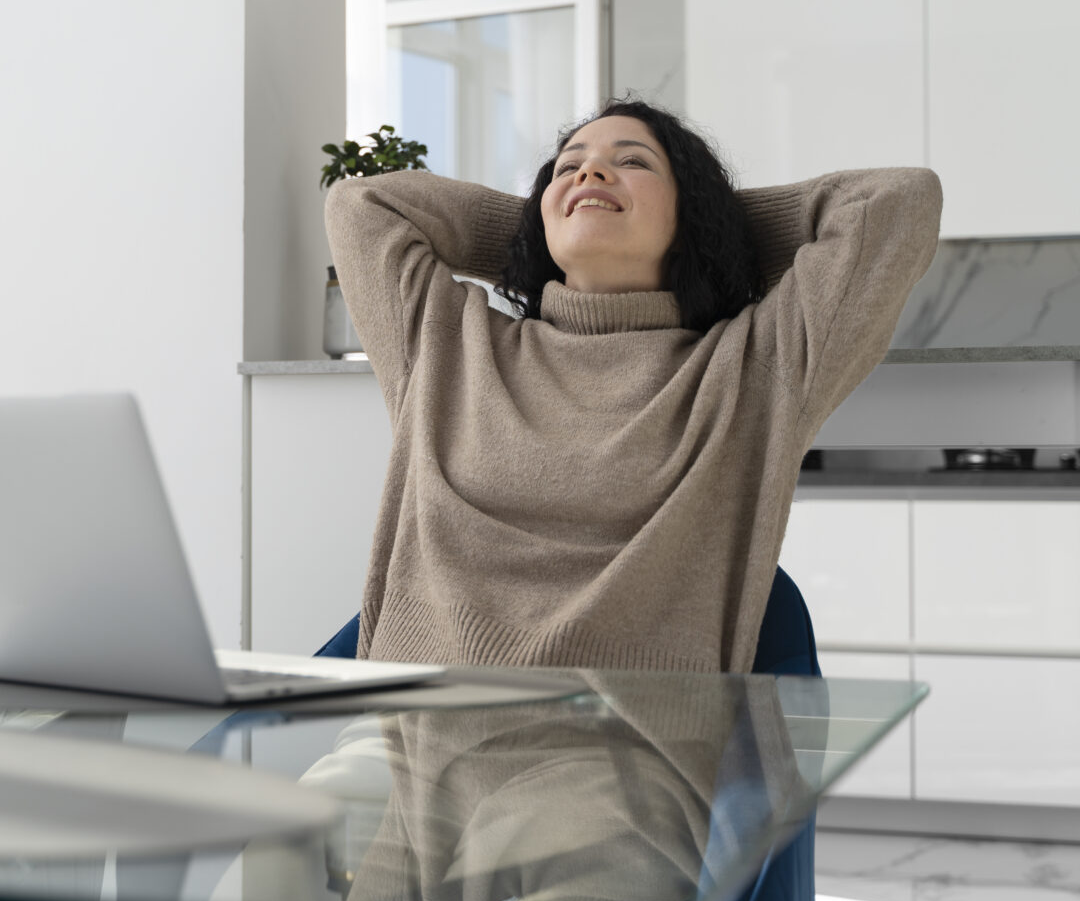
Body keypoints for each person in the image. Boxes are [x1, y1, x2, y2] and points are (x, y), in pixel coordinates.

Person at [324, 98, 942, 673]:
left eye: (631, 162)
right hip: (405, 738)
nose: (589, 174)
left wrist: (713, 221)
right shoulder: (449, 348)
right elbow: (360, 207)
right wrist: (547, 222)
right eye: (568, 167)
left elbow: (899, 201)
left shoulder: (755, 365)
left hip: (617, 753)